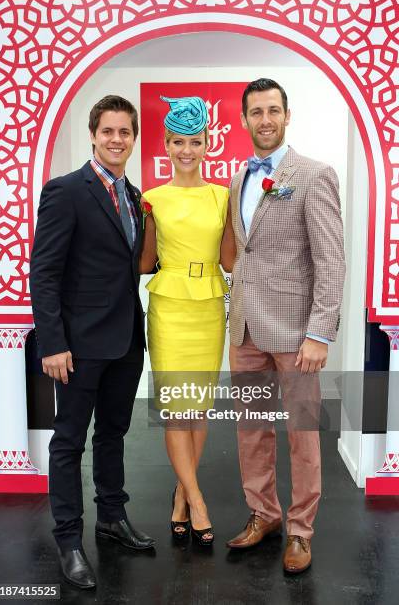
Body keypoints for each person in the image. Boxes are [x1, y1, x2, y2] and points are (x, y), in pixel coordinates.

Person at [30, 95, 154, 590]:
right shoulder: (66, 191)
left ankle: (110, 516)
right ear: (94, 134)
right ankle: (68, 539)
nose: (117, 139)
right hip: (77, 347)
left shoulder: (134, 195)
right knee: (69, 442)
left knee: (113, 435)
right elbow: (45, 271)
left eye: (126, 132)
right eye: (109, 131)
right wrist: (52, 343)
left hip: (126, 341)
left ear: (134, 137)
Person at [226, 78, 345, 573]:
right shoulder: (239, 178)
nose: (265, 120)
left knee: (302, 433)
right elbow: (243, 253)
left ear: (287, 115)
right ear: (244, 119)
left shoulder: (314, 174)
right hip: (246, 331)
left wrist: (319, 333)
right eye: (256, 112)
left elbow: (331, 260)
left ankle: (300, 531)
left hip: (298, 336)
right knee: (252, 431)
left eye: (273, 110)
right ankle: (264, 513)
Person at [139, 95, 235, 546]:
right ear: (166, 144)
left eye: (194, 141)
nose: (186, 150)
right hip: (171, 307)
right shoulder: (151, 198)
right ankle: (197, 500)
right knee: (177, 408)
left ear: (207, 143)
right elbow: (143, 262)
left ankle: (180, 495)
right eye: (178, 141)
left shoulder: (222, 196)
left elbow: (231, 259)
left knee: (199, 408)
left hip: (210, 306)